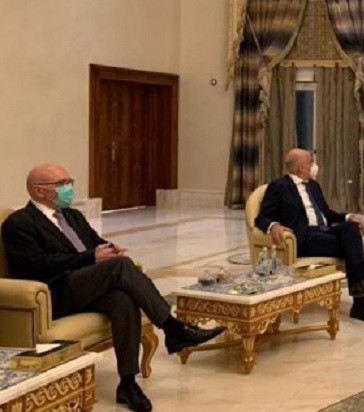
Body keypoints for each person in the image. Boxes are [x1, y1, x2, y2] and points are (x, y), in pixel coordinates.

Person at [2, 164, 225, 412]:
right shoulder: (19, 223)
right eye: (62, 184)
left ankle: (128, 384)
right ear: (39, 191)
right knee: (121, 266)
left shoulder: (72, 216)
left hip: (87, 284)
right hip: (56, 292)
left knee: (122, 300)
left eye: (70, 182)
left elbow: (94, 243)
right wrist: (91, 258)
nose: (69, 188)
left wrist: (109, 248)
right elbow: (34, 265)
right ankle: (173, 327)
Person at [255, 148, 364, 322]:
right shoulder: (279, 186)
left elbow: (327, 213)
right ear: (301, 167)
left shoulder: (313, 186)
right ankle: (359, 303)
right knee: (352, 246)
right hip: (305, 237)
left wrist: (348, 217)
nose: (314, 165)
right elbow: (262, 217)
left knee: (351, 229)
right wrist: (274, 225)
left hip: (324, 231)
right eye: (311, 162)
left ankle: (358, 290)